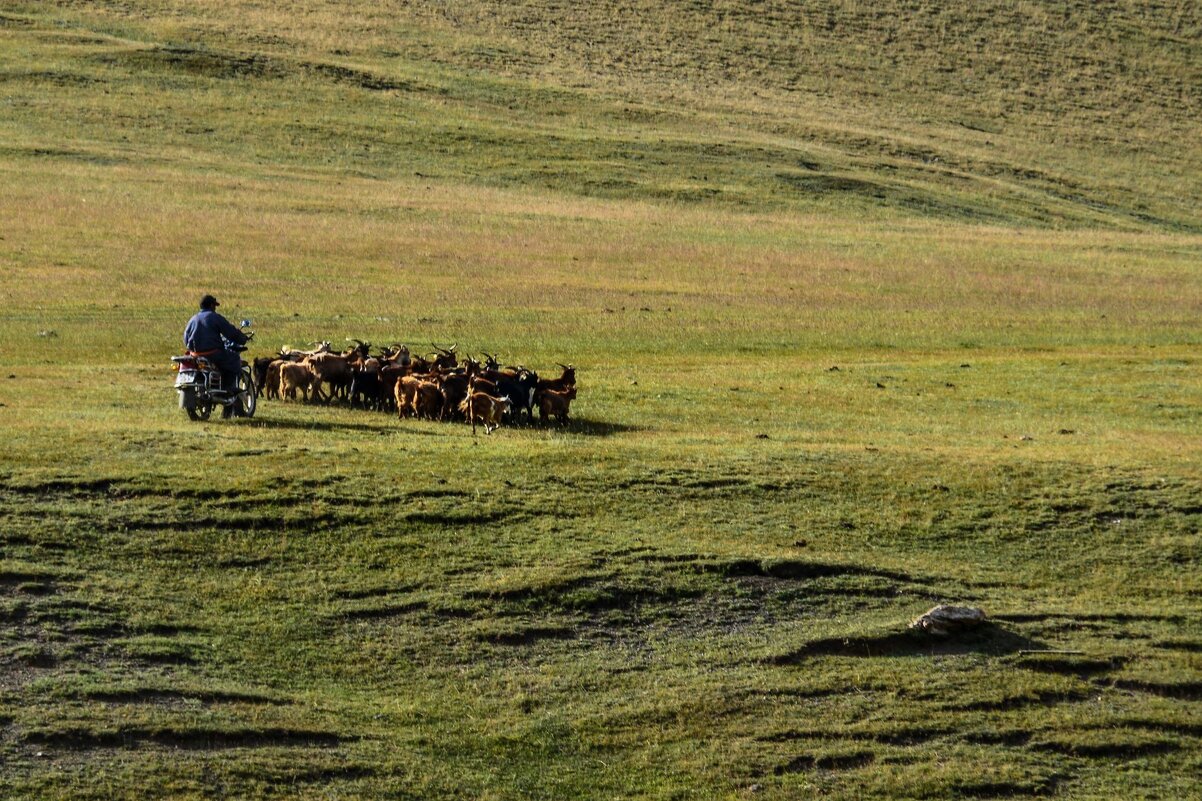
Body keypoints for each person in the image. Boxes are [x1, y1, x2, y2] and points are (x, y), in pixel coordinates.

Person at [183, 294, 249, 417]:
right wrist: (242, 338)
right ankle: (229, 388)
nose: (215, 308)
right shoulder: (214, 317)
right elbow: (230, 332)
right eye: (215, 305)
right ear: (212, 305)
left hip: (195, 355)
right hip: (213, 353)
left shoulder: (193, 319)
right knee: (234, 358)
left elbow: (185, 339)